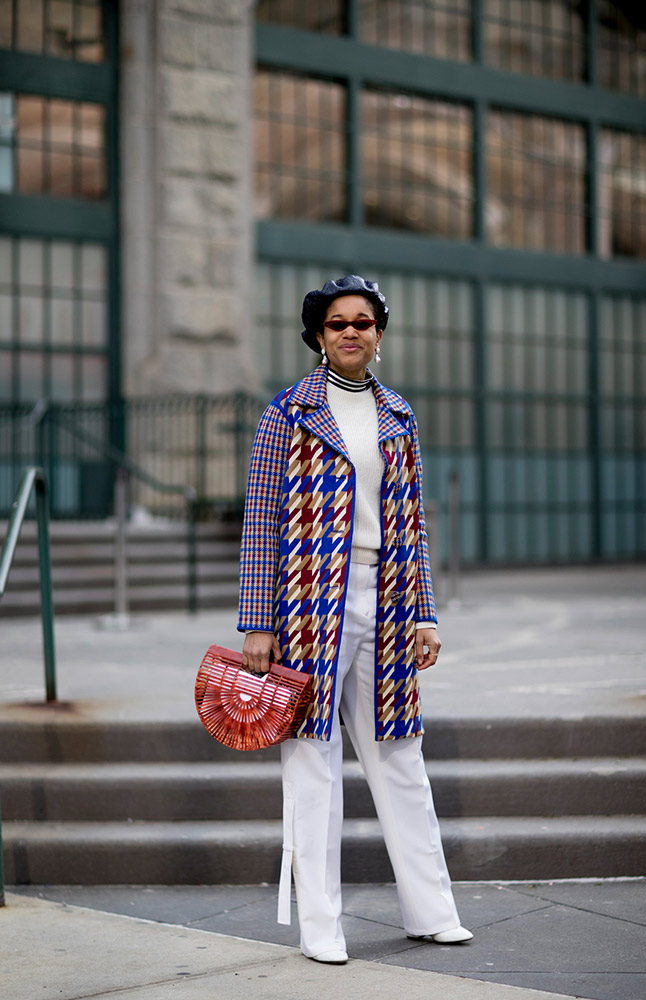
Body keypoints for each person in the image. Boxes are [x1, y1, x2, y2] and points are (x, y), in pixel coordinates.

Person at [237, 275, 472, 964]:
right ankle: (320, 927)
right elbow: (259, 524)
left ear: (378, 333)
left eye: (362, 322)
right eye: (336, 323)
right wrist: (258, 620)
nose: (350, 332)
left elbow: (413, 524)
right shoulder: (287, 412)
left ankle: (431, 912)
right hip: (308, 605)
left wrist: (425, 612)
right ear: (316, 335)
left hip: (390, 603)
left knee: (399, 754)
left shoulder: (399, 414)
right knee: (312, 761)